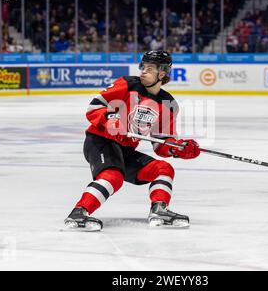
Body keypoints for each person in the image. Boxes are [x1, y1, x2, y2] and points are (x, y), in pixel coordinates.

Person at [64, 50, 201, 231]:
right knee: (113, 177)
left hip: (125, 149)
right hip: (100, 140)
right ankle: (78, 213)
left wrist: (177, 148)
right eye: (142, 67)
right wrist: (111, 119)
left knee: (163, 169)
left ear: (162, 73)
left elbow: (161, 143)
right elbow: (94, 107)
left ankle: (159, 210)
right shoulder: (127, 84)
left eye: (149, 68)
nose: (143, 71)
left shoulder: (168, 104)